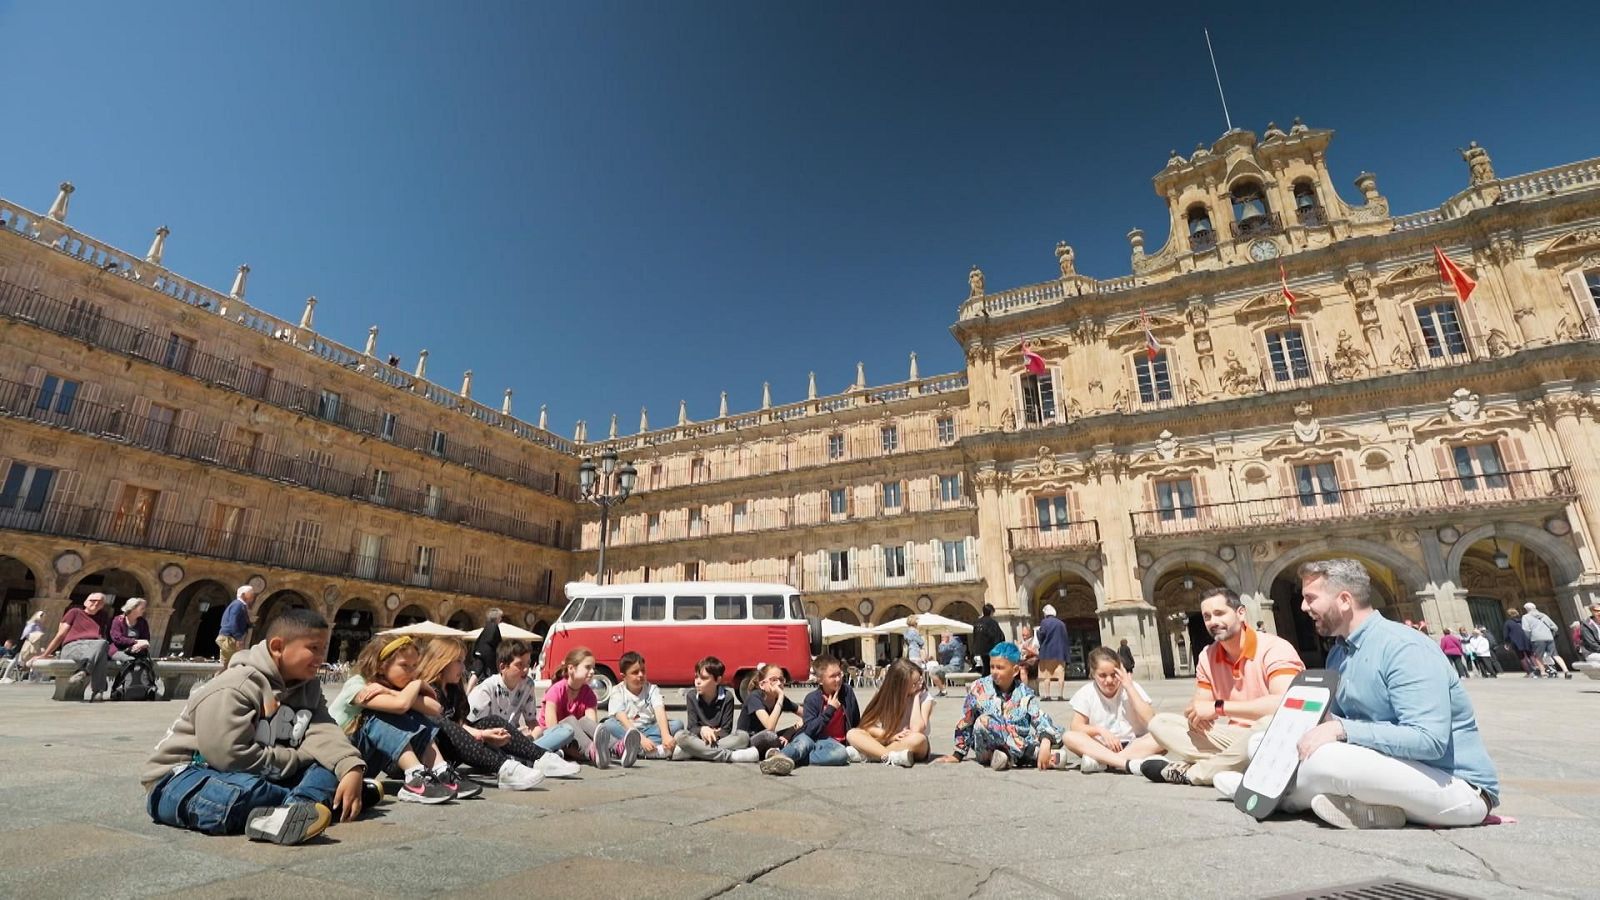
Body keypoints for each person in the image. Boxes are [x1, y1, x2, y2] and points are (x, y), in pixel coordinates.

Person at [1215, 559, 1501, 829]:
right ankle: (1371, 809)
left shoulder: (1404, 648)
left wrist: (1341, 729)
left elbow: (1429, 741)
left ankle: (1276, 794)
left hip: (1456, 787)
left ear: (1344, 600)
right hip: (1391, 769)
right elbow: (1337, 724)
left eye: (1311, 598)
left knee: (1325, 760)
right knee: (1260, 742)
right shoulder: (1339, 654)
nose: (1303, 607)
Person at [143, 608, 368, 845]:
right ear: (278, 647)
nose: (321, 658)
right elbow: (229, 757)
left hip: (259, 774)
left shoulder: (308, 687)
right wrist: (300, 757)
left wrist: (351, 767)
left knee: (329, 766)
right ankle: (312, 801)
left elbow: (324, 729)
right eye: (313, 648)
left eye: (324, 649)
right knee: (240, 794)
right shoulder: (235, 686)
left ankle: (293, 811)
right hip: (183, 779)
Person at [1140, 587, 1305, 786]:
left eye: (1219, 613)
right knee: (1160, 724)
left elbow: (1286, 704)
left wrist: (1219, 707)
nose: (1213, 622)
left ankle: (1194, 773)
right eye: (1207, 616)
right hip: (1234, 737)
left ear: (1240, 613)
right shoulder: (1207, 656)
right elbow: (1202, 705)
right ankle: (1240, 764)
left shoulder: (1275, 648)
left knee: (1269, 723)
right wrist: (1195, 713)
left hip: (1272, 735)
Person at [416, 638, 573, 789]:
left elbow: (460, 723)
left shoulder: (453, 689)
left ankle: (540, 757)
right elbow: (447, 726)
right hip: (433, 754)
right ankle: (504, 768)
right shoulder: (427, 690)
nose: (463, 668)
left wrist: (485, 733)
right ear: (442, 661)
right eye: (459, 661)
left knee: (492, 721)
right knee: (441, 722)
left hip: (454, 749)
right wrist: (483, 735)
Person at [330, 635, 465, 803]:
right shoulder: (358, 684)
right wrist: (414, 687)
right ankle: (414, 776)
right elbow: (400, 705)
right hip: (337, 761)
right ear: (381, 666)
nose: (412, 672)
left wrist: (413, 685)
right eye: (404, 665)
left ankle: (440, 770)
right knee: (381, 714)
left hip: (362, 765)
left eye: (414, 666)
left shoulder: (397, 687)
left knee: (415, 713)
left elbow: (436, 708)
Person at [934, 642, 1062, 771]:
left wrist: (1046, 741)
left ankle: (1009, 758)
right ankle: (1033, 754)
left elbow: (1040, 718)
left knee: (1054, 734)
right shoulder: (979, 688)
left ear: (1015, 671)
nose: (994, 672)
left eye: (1000, 668)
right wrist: (957, 754)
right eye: (992, 667)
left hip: (1017, 740)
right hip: (987, 747)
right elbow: (966, 721)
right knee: (983, 721)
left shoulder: (1025, 693)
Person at [465, 640, 579, 776]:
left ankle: (530, 759)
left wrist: (532, 735)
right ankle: (540, 757)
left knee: (566, 730)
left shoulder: (528, 685)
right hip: (495, 743)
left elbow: (532, 721)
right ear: (502, 667)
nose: (526, 670)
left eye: (528, 664)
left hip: (519, 741)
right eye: (519, 665)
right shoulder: (486, 690)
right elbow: (471, 729)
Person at [1059, 647, 1163, 774]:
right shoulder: (1087, 692)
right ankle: (1125, 763)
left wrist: (1129, 687)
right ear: (1093, 674)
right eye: (1102, 676)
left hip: (1134, 744)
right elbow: (1076, 727)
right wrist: (1101, 731)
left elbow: (1151, 720)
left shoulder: (1131, 687)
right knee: (1069, 737)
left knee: (1162, 736)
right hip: (1101, 746)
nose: (1109, 680)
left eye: (1114, 675)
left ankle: (1105, 762)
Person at [761, 655, 858, 776]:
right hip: (814, 738)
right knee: (802, 743)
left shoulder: (847, 692)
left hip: (834, 744)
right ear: (820, 680)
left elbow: (855, 720)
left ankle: (792, 759)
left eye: (839, 674)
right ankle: (777, 759)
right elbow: (810, 730)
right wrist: (830, 710)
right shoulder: (812, 699)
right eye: (833, 676)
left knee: (841, 754)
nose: (838, 679)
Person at [538, 646, 624, 768]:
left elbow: (592, 725)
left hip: (578, 742)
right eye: (587, 667)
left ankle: (618, 747)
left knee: (585, 721)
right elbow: (552, 728)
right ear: (571, 669)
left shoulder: (589, 694)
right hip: (554, 738)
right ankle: (593, 751)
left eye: (593, 668)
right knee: (570, 721)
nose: (592, 671)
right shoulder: (556, 690)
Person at [848, 658, 934, 767]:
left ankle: (871, 754)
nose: (919, 684)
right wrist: (890, 736)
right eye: (914, 683)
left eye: (919, 679)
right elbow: (867, 725)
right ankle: (890, 756)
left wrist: (916, 697)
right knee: (852, 733)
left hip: (911, 743)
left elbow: (917, 729)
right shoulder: (886, 696)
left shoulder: (925, 697)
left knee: (918, 739)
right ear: (899, 686)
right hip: (890, 740)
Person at [672, 656, 757, 762]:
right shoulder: (691, 696)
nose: (698, 682)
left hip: (718, 741)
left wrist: (715, 733)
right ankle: (730, 756)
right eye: (696, 677)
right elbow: (692, 727)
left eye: (704, 678)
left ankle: (693, 752)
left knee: (743, 737)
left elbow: (726, 730)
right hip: (699, 739)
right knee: (680, 736)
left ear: (717, 680)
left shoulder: (727, 697)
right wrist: (703, 730)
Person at [33, 592, 114, 701]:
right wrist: (45, 654)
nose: (95, 604)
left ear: (102, 605)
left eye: (99, 602)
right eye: (92, 600)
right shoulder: (75, 612)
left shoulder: (103, 616)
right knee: (102, 647)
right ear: (85, 602)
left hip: (94, 647)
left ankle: (84, 672)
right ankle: (98, 691)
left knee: (103, 645)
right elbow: (60, 634)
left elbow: (105, 635)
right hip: (73, 646)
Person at [603, 651, 681, 760]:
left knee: (677, 724)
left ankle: (633, 749)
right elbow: (623, 719)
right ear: (624, 676)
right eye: (635, 672)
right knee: (608, 725)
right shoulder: (617, 691)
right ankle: (649, 750)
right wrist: (641, 739)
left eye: (643, 671)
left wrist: (665, 735)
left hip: (649, 729)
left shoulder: (652, 689)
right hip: (628, 730)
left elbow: (659, 711)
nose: (640, 675)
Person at [740, 663, 804, 774]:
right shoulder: (755, 697)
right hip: (749, 740)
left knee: (802, 729)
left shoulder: (780, 699)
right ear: (762, 684)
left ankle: (774, 757)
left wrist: (791, 731)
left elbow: (809, 715)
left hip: (770, 739)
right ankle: (776, 755)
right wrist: (780, 698)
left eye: (781, 680)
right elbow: (770, 726)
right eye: (773, 680)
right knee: (770, 735)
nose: (779, 683)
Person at [1522, 602, 1571, 679]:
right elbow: (1555, 627)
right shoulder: (1543, 615)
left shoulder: (1525, 617)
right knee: (1555, 655)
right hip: (1549, 637)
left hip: (1537, 638)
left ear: (1526, 609)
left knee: (1538, 656)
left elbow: (1526, 630)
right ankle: (1566, 671)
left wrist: (1529, 638)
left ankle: (1543, 673)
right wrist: (1551, 634)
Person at [1036, 605, 1069, 702]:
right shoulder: (1061, 624)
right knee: (1060, 674)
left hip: (1047, 652)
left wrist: (1037, 632)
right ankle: (1060, 695)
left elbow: (1042, 635)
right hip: (1060, 653)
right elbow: (1065, 638)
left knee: (1047, 675)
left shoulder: (1044, 622)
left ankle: (1047, 695)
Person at [216, 584, 255, 666]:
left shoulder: (240, 605)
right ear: (243, 595)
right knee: (231, 664)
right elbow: (233, 622)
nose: (253, 596)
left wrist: (249, 624)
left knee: (229, 664)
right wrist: (238, 638)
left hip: (230, 638)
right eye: (251, 594)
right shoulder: (238, 605)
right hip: (229, 639)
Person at [110, 597, 153, 663]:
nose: (144, 610)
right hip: (118, 650)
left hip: (137, 650)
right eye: (142, 608)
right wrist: (135, 641)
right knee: (131, 661)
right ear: (133, 608)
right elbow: (117, 639)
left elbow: (145, 639)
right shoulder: (118, 620)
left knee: (144, 663)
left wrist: (141, 645)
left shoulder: (143, 622)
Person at [469, 607, 503, 685]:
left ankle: (469, 689)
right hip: (488, 654)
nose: (501, 619)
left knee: (476, 672)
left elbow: (479, 640)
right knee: (494, 672)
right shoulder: (495, 627)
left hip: (479, 652)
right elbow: (497, 642)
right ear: (496, 617)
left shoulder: (486, 627)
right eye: (500, 617)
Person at [971, 604, 1005, 673]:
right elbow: (998, 637)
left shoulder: (977, 623)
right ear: (991, 612)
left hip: (979, 651)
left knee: (985, 668)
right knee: (992, 669)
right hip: (990, 651)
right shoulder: (992, 623)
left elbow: (974, 637)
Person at [1503, 609, 1537, 676]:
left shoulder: (1508, 623)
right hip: (1527, 640)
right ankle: (1537, 669)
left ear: (1508, 615)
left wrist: (1507, 643)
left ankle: (1529, 672)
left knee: (1521, 657)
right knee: (1531, 655)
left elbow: (1506, 635)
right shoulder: (1522, 620)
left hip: (1516, 642)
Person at [1579, 601, 1600, 666]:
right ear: (1592, 612)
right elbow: (1592, 644)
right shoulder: (1586, 625)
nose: (1599, 612)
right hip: (1591, 652)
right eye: (1596, 611)